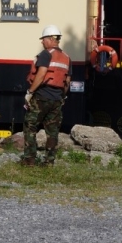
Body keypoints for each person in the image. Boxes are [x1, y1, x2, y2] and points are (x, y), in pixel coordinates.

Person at [22, 25, 71, 166]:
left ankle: (29, 159)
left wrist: (30, 92)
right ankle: (49, 162)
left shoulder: (45, 54)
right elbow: (67, 82)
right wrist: (62, 97)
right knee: (52, 131)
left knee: (30, 126)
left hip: (42, 96)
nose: (42, 42)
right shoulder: (67, 58)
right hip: (57, 99)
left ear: (50, 39)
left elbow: (41, 74)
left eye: (43, 39)